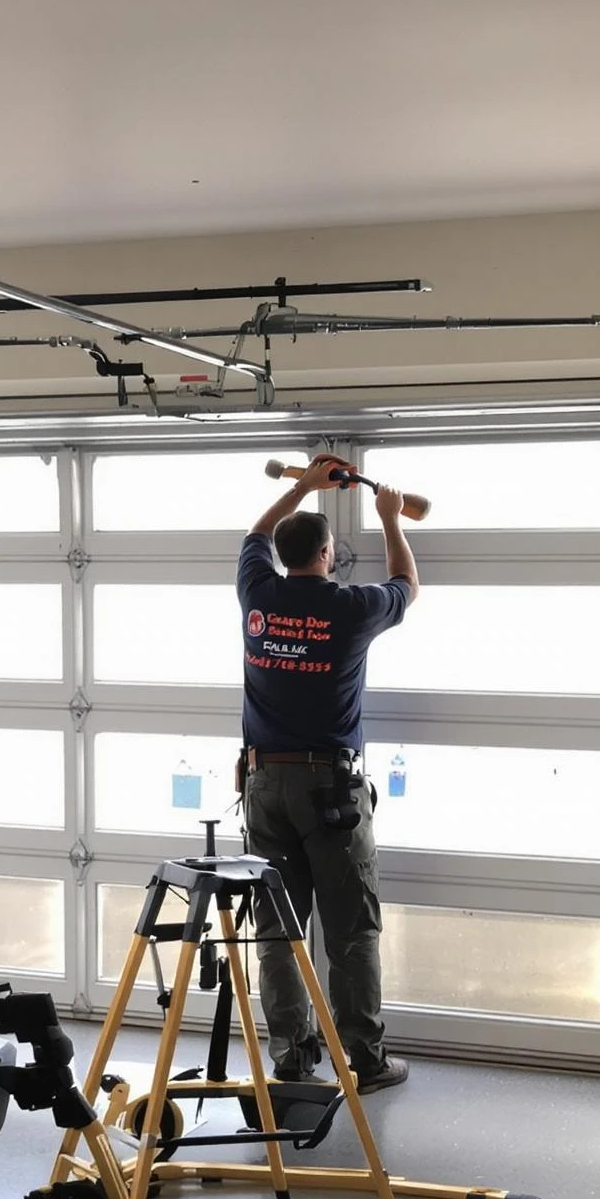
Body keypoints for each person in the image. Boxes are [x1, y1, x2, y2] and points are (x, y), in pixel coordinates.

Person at [236, 455, 419, 1092]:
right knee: (350, 927)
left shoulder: (257, 597)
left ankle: (292, 1057)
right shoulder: (350, 608)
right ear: (326, 554)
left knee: (280, 929)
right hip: (331, 793)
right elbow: (406, 585)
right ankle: (362, 1061)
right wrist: (390, 519)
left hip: (263, 790)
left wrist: (304, 488)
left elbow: (255, 537)